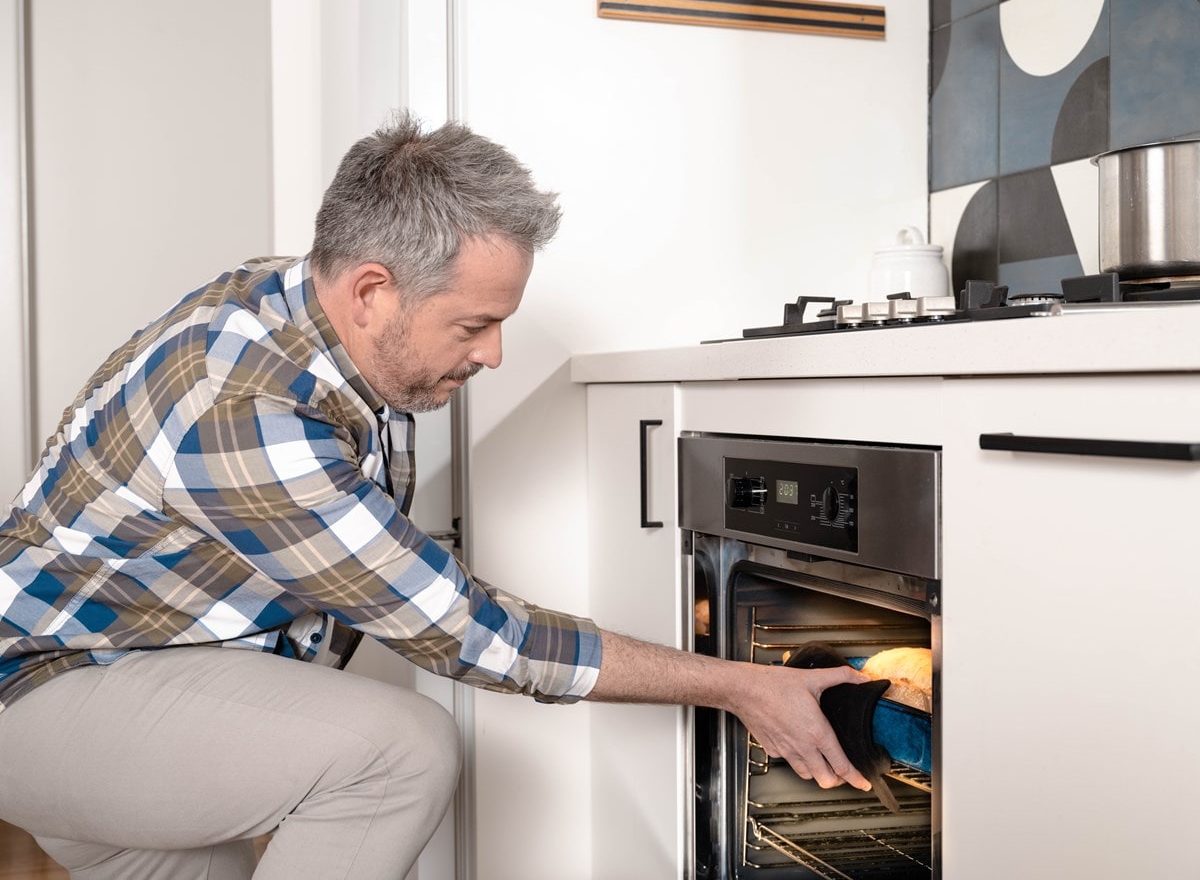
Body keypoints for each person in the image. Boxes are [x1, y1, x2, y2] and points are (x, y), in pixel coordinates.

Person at [0, 112, 870, 879]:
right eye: (474, 325)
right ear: (374, 290)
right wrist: (737, 685)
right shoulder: (248, 410)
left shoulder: (315, 310)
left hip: (133, 669)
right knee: (398, 753)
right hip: (47, 696)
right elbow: (462, 631)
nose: (492, 355)